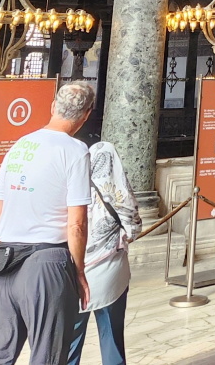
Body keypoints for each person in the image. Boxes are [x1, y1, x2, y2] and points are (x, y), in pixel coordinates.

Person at [0, 80, 95, 365]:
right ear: (87, 114)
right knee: (48, 354)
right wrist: (79, 273)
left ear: (53, 107)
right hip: (46, 261)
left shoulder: (20, 145)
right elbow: (76, 223)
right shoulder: (76, 151)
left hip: (5, 258)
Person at [67, 139, 140, 365]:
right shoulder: (119, 194)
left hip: (78, 270)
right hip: (111, 272)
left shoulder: (74, 189)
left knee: (70, 339)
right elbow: (133, 227)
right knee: (112, 335)